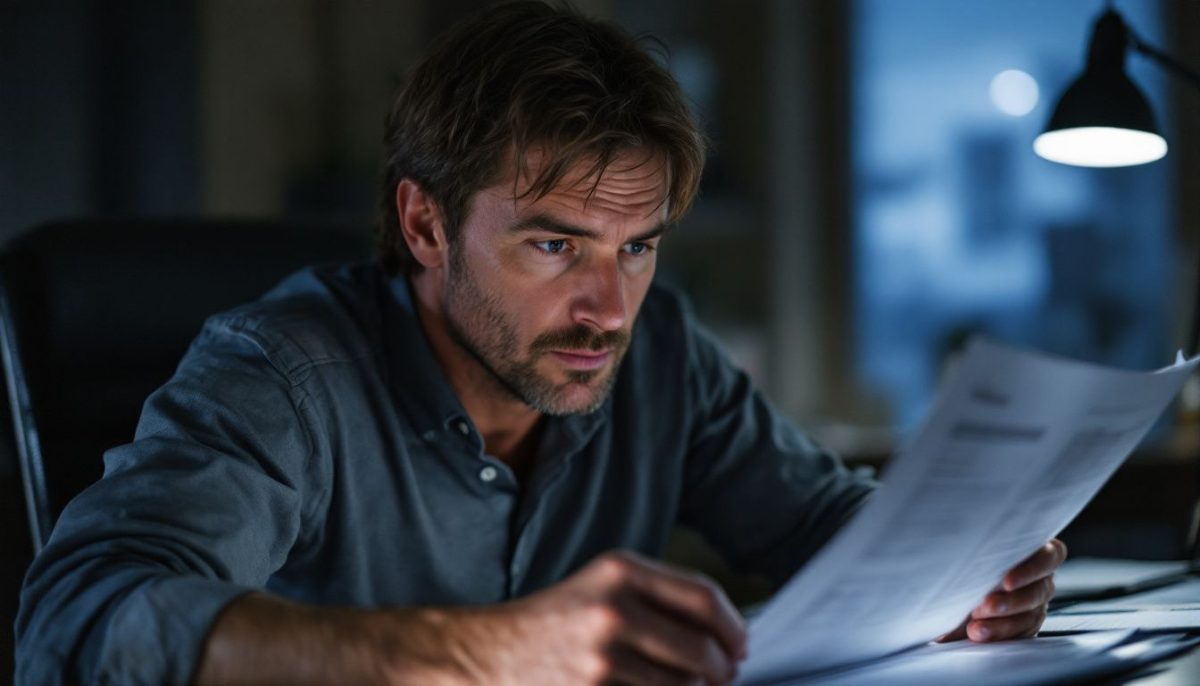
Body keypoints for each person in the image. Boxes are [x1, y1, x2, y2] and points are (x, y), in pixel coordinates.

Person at [16, 2, 1066, 684]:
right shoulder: (282, 371)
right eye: (556, 243)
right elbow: (74, 622)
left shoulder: (657, 354)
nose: (608, 306)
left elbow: (822, 522)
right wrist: (495, 650)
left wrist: (961, 563)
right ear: (425, 224)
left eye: (638, 245)